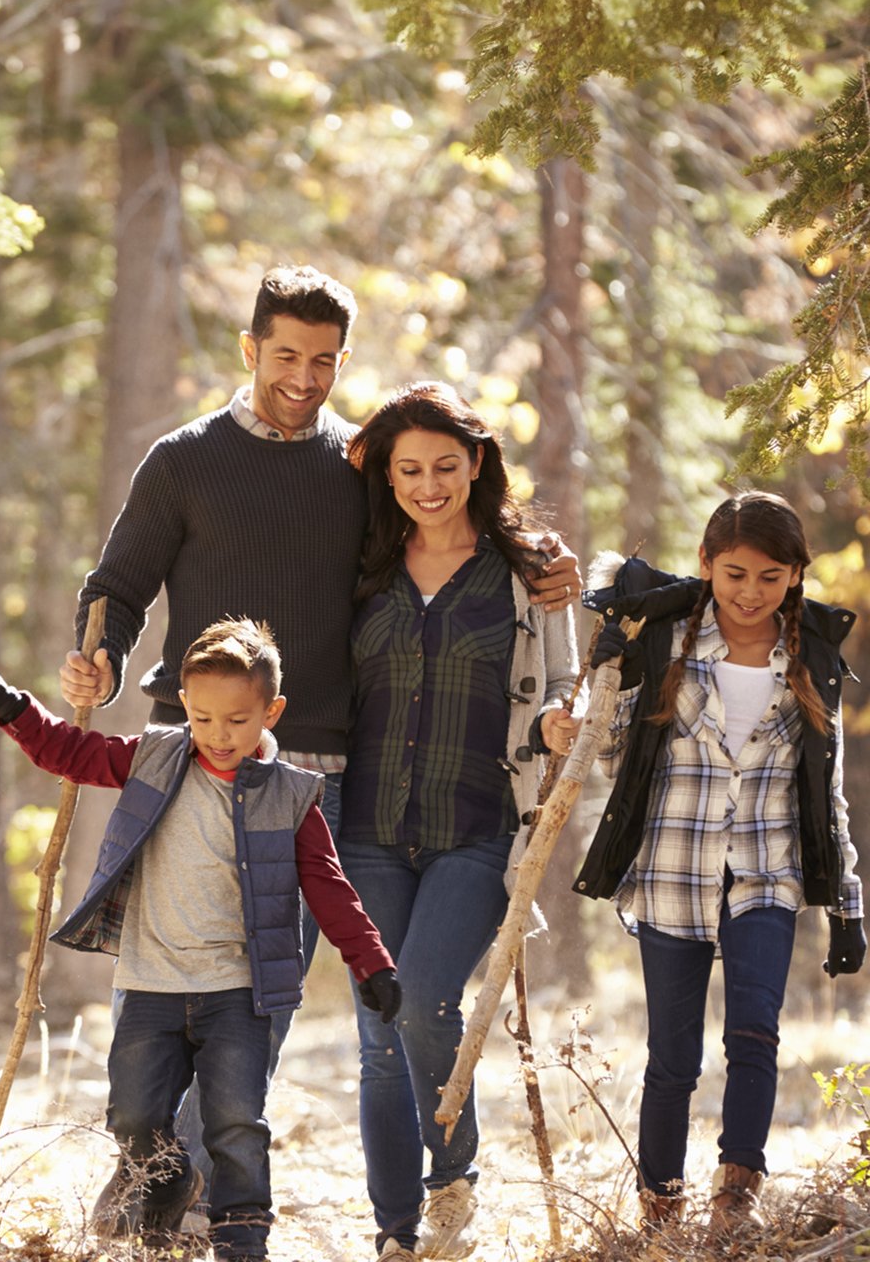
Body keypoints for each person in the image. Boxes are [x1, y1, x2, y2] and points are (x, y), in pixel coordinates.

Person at [58, 265, 580, 1225]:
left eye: (326, 360)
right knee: (181, 974)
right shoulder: (183, 460)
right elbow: (119, 587)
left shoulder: (358, 467)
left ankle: (180, 1182)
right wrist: (95, 655)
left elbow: (449, 532)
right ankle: (154, 1166)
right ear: (250, 348)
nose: (304, 376)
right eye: (287, 354)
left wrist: (544, 564)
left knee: (270, 991)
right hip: (194, 762)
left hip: (318, 776)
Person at [0, 619, 400, 1262]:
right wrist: (9, 704)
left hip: (239, 994)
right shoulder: (156, 758)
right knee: (132, 1118)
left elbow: (329, 887)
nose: (220, 736)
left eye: (238, 720)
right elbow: (72, 753)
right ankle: (168, 1182)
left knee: (235, 1126)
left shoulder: (291, 795)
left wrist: (372, 963)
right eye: (203, 718)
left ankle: (242, 1241)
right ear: (185, 708)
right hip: (151, 984)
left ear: (271, 712)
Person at [572, 491, 865, 1236]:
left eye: (771, 577)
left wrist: (848, 905)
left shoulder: (810, 660)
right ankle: (660, 1208)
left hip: (767, 875)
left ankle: (737, 1195)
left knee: (755, 1035)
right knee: (672, 1057)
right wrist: (615, 681)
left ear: (796, 576)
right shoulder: (667, 643)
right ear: (705, 565)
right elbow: (611, 762)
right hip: (671, 874)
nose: (750, 592)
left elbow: (824, 790)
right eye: (734, 573)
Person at [337, 382, 581, 1262]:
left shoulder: (528, 573)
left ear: (476, 464)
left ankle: (451, 1181)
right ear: (390, 477)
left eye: (446, 465)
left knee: (425, 1001)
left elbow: (566, 682)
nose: (429, 484)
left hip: (478, 828)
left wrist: (563, 719)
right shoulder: (361, 562)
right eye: (410, 469)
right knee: (376, 1035)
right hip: (364, 829)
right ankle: (396, 1233)